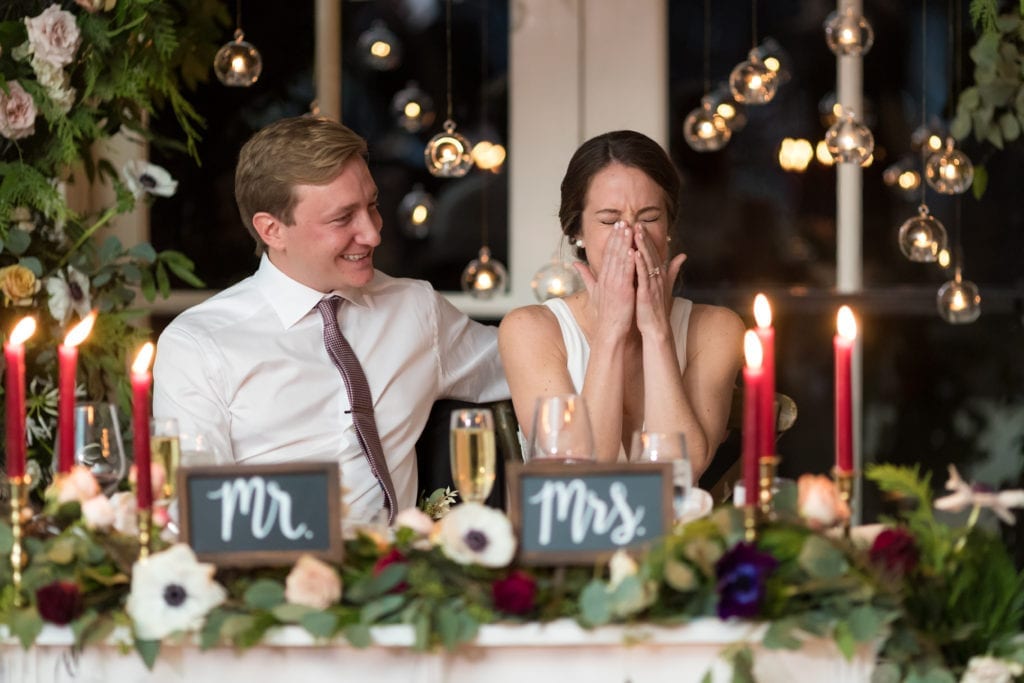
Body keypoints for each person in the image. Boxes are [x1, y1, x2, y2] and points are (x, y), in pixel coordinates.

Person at [153, 116, 508, 523]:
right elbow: (193, 514)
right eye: (343, 219)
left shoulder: (415, 308)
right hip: (271, 575)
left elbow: (530, 359)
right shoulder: (199, 345)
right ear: (272, 230)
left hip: (404, 573)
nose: (373, 233)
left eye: (372, 206)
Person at [498, 130, 743, 478]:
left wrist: (657, 331)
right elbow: (579, 476)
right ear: (576, 232)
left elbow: (680, 473)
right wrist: (611, 331)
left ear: (669, 226)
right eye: (610, 221)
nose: (630, 237)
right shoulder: (530, 330)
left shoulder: (718, 329)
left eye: (648, 218)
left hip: (681, 532)